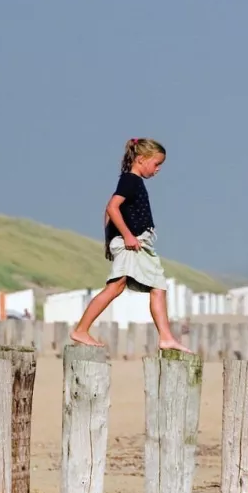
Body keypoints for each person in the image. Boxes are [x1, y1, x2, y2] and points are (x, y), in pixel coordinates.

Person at [70, 138, 191, 351]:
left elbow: (109, 212)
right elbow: (112, 207)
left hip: (137, 243)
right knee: (119, 287)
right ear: (141, 159)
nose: (158, 169)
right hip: (132, 243)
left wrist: (109, 242)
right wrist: (125, 236)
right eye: (156, 164)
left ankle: (166, 337)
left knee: (156, 286)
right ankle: (81, 329)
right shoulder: (130, 180)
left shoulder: (133, 181)